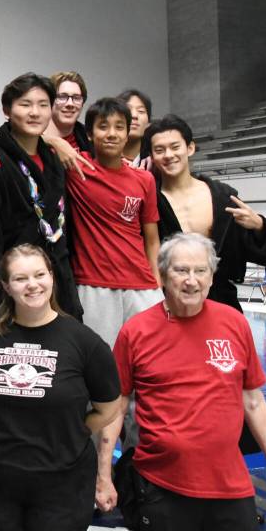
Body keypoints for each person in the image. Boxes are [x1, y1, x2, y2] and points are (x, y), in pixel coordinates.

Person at [95, 233, 266, 531]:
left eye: (200, 270)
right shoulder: (136, 332)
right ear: (163, 275)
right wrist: (103, 476)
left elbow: (253, 401)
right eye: (181, 270)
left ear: (212, 276)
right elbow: (116, 406)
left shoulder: (235, 323)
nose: (191, 280)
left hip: (230, 485)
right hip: (160, 487)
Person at [0, 244, 121, 531]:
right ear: (6, 286)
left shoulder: (85, 342)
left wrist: (76, 429)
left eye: (39, 275)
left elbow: (108, 407)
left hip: (63, 486)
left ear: (52, 278)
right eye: (21, 279)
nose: (32, 285)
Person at [148, 115, 266, 312]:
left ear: (190, 148)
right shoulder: (150, 200)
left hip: (220, 300)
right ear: (151, 155)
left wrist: (260, 226)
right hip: (168, 302)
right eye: (160, 150)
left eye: (175, 147)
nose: (168, 155)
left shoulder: (222, 197)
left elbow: (263, 252)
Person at [0, 74, 79, 324]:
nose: (35, 112)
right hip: (13, 282)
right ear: (6, 110)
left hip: (56, 278)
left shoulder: (54, 159)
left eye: (43, 105)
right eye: (25, 104)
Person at [65, 97, 162, 348]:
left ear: (129, 132)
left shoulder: (145, 180)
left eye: (119, 127)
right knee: (103, 365)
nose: (112, 134)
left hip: (143, 286)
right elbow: (31, 139)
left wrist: (158, 286)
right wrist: (56, 142)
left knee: (149, 362)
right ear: (89, 132)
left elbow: (152, 239)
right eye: (103, 126)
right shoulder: (76, 169)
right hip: (94, 286)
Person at [116, 88, 152, 166]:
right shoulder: (100, 159)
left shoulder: (154, 163)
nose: (134, 115)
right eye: (128, 110)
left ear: (148, 123)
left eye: (141, 111)